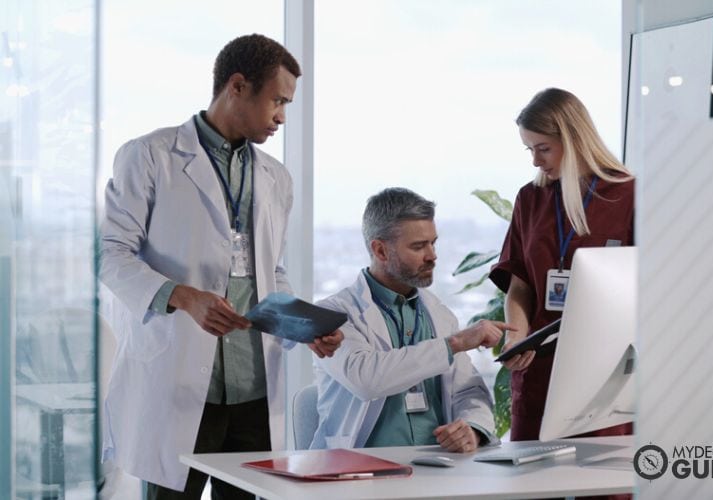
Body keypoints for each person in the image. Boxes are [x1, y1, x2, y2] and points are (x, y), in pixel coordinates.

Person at [99, 34, 343, 498]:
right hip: (181, 382)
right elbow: (109, 252)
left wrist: (302, 327)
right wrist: (183, 297)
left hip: (253, 389)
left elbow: (270, 271)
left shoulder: (275, 177)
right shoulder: (151, 156)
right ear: (237, 86)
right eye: (277, 100)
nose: (282, 117)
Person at [311, 187, 511, 452]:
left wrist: (472, 430)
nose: (432, 255)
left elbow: (468, 391)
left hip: (437, 465)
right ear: (380, 251)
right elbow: (368, 379)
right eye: (418, 246)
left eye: (433, 242)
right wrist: (455, 343)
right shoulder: (334, 314)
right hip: (362, 468)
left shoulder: (439, 314)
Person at [489, 88, 634, 443]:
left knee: (605, 487)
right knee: (531, 480)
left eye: (543, 149)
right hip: (539, 364)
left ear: (574, 139)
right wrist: (517, 335)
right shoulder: (531, 198)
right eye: (530, 150)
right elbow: (520, 284)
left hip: (605, 370)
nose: (536, 161)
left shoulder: (629, 195)